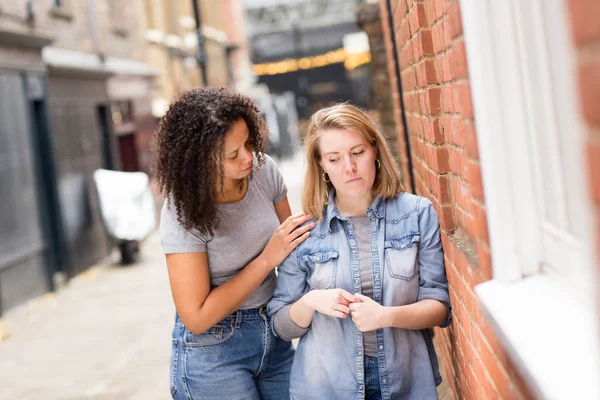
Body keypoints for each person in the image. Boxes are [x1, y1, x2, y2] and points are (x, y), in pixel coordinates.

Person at [268, 104, 452, 400]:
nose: (349, 168)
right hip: (325, 388)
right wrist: (311, 301)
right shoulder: (304, 233)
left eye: (357, 153)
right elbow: (281, 326)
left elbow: (439, 307)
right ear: (321, 165)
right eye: (334, 158)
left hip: (405, 383)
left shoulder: (417, 214)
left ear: (375, 151)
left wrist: (386, 316)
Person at [153, 87, 314, 400]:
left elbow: (293, 248)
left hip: (275, 334)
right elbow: (196, 317)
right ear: (199, 162)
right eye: (232, 154)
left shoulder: (264, 170)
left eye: (248, 142)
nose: (248, 157)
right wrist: (266, 260)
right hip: (214, 351)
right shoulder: (181, 210)